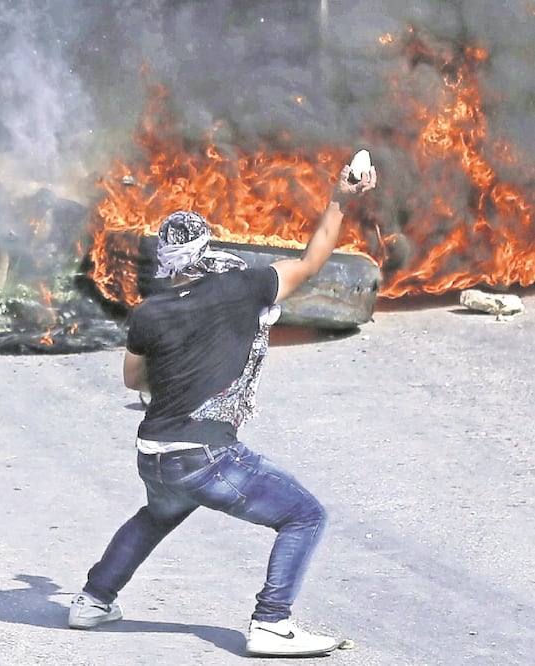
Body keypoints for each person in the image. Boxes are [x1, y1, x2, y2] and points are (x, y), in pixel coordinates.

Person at [68, 162, 378, 657]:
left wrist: (181, 368)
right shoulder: (243, 288)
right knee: (304, 515)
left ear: (165, 261)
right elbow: (312, 259)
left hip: (155, 453)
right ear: (206, 249)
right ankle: (271, 623)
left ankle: (92, 600)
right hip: (204, 455)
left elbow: (133, 378)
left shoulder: (149, 312)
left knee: (157, 514)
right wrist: (341, 197)